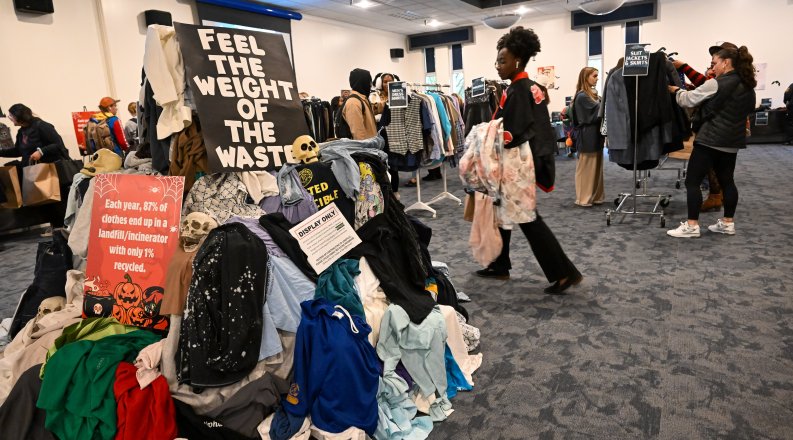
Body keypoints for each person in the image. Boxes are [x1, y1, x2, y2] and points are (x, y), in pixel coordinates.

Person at [476, 26, 583, 294]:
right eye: (497, 60)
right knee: (503, 212)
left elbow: (513, 132)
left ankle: (563, 272)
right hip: (523, 161)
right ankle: (500, 264)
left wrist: (487, 136)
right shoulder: (529, 87)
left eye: (503, 60)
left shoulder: (518, 91)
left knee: (527, 217)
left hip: (517, 163)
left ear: (518, 61)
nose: (498, 66)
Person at [666, 44, 757, 238]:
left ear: (726, 63)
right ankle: (727, 223)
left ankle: (691, 226)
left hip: (709, 141)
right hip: (732, 142)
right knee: (727, 182)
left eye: (715, 63)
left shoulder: (716, 83)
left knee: (692, 181)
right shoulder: (749, 86)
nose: (712, 68)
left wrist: (676, 91)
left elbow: (687, 100)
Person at [1, 103, 71, 234]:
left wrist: (41, 151)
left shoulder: (42, 126)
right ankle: (56, 228)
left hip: (50, 171)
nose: (9, 118)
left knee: (57, 201)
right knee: (44, 202)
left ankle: (63, 228)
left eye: (11, 115)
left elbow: (58, 144)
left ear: (19, 116)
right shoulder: (21, 131)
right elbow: (18, 151)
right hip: (34, 173)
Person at [572, 67, 605, 207]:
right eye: (594, 76)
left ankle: (596, 196)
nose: (597, 78)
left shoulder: (592, 95)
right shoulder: (582, 96)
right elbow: (599, 110)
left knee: (596, 166)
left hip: (595, 134)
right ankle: (583, 198)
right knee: (586, 167)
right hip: (587, 135)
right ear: (586, 77)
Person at [341, 69, 378, 140]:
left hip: (370, 147)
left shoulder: (362, 99)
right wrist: (365, 150)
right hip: (365, 149)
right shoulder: (354, 102)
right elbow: (358, 135)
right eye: (368, 81)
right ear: (362, 82)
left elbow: (374, 109)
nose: (370, 85)